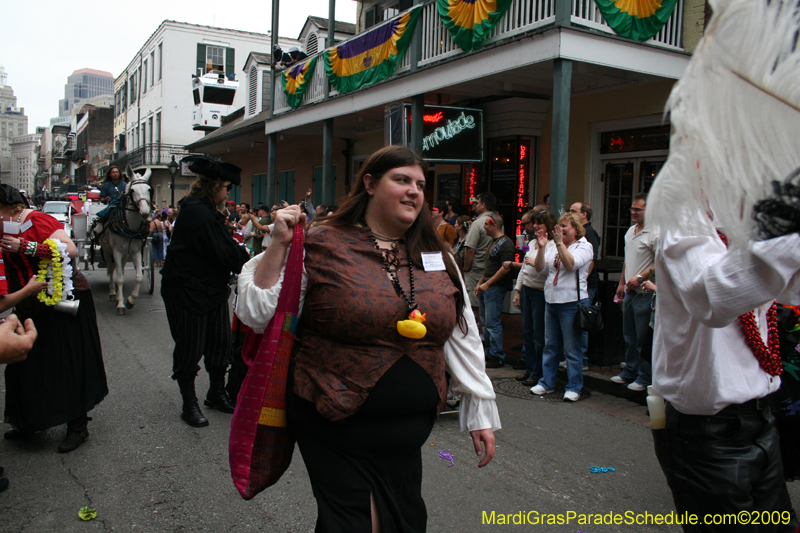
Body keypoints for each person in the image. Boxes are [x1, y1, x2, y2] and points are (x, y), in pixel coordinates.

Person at [236, 145, 499, 532]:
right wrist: (278, 243)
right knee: (354, 522)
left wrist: (480, 412)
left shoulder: (436, 254)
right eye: (402, 180)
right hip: (332, 415)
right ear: (371, 184)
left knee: (405, 521)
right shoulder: (321, 242)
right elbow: (256, 313)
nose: (414, 191)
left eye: (420, 184)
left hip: (405, 431)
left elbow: (463, 336)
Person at [0, 184, 108, 452]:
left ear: (8, 208)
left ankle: (78, 426)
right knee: (26, 363)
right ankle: (28, 421)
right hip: (27, 302)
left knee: (66, 361)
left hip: (63, 298)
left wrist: (26, 246)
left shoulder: (36, 219)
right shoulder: (4, 227)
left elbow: (69, 249)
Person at [160, 157, 251, 428]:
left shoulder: (210, 211)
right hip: (186, 290)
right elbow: (223, 251)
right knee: (190, 349)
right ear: (213, 187)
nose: (228, 193)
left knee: (220, 344)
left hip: (211, 289)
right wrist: (246, 261)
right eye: (226, 188)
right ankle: (189, 403)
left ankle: (216, 393)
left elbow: (227, 248)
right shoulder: (196, 211)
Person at [530, 212, 593, 402]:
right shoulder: (554, 247)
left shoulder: (584, 246)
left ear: (576, 229)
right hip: (552, 301)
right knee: (550, 345)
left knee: (572, 349)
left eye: (565, 226)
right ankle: (546, 382)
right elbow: (540, 267)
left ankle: (574, 386)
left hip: (571, 303)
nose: (560, 229)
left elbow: (571, 264)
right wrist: (542, 249)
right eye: (559, 225)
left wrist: (558, 244)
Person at [611, 193, 656, 392]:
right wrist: (621, 283)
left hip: (645, 293)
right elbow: (627, 260)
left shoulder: (656, 232)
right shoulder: (630, 231)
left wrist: (640, 277)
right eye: (633, 208)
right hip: (630, 291)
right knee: (629, 335)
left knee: (642, 338)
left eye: (638, 209)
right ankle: (630, 371)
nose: (633, 212)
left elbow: (660, 263)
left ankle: (644, 376)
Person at [506, 207, 555, 385]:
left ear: (548, 226)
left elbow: (547, 270)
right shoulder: (533, 242)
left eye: (539, 224)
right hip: (527, 289)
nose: (535, 227)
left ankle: (538, 372)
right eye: (534, 224)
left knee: (538, 335)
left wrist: (534, 262)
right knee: (527, 332)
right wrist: (517, 291)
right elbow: (524, 270)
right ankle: (529, 368)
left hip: (541, 293)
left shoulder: (552, 245)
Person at [474, 213, 515, 368]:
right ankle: (490, 352)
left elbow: (505, 268)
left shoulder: (506, 244)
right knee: (485, 322)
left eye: (486, 224)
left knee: (492, 322)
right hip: (488, 285)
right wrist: (480, 283)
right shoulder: (493, 242)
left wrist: (488, 283)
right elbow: (489, 266)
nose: (484, 227)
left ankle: (496, 355)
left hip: (495, 287)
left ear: (494, 225)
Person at [569, 201, 600, 370]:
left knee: (582, 320)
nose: (571, 213)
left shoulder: (589, 234)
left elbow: (591, 261)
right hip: (578, 286)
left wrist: (581, 281)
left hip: (586, 286)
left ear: (584, 215)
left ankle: (582, 360)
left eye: (574, 211)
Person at [463, 192, 496, 321]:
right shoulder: (497, 221)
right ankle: (484, 334)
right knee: (486, 307)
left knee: (473, 305)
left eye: (477, 203)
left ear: (483, 205)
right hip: (490, 268)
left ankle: (476, 333)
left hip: (476, 269)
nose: (475, 205)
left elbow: (470, 249)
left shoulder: (478, 223)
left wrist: (466, 268)